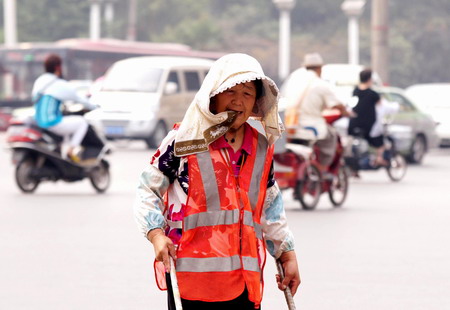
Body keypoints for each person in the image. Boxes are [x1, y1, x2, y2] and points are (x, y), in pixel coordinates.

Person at [134, 53, 300, 310]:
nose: (237, 101)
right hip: (192, 284)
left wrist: (286, 253)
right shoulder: (184, 140)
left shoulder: (261, 148)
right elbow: (148, 189)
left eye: (247, 93)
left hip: (245, 282)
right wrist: (156, 235)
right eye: (230, 91)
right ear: (213, 95)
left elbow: (270, 207)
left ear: (256, 102)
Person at [286, 53, 350, 168]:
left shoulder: (294, 82)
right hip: (311, 126)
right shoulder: (320, 84)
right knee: (331, 136)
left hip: (290, 126)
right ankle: (322, 167)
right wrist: (345, 111)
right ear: (320, 68)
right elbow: (336, 104)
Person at [32, 54, 96, 162]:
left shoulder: (39, 81)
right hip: (51, 122)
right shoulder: (59, 84)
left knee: (66, 129)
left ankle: (62, 152)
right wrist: (95, 107)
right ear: (58, 67)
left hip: (38, 121)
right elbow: (79, 99)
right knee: (82, 122)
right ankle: (71, 151)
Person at [348, 68, 387, 165]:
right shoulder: (373, 94)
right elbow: (381, 107)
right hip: (368, 125)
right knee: (379, 141)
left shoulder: (355, 91)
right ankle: (379, 158)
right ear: (369, 79)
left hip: (353, 124)